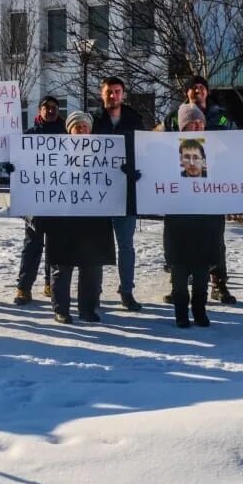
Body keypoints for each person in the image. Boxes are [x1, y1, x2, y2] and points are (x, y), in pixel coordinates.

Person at [162, 76, 237, 304]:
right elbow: (158, 146)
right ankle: (179, 286)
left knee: (214, 238)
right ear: (187, 92)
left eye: (201, 87)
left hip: (211, 191)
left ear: (207, 91)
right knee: (177, 238)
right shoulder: (173, 118)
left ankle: (218, 282)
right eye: (192, 88)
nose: (197, 91)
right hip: (180, 190)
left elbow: (238, 143)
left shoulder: (221, 116)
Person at [41, 111, 117, 324]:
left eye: (85, 126)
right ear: (69, 130)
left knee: (91, 267)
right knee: (61, 267)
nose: (81, 129)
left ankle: (88, 309)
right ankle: (61, 309)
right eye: (77, 126)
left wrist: (124, 172)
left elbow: (114, 180)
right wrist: (18, 169)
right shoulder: (54, 154)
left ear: (91, 130)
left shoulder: (105, 154)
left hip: (94, 218)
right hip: (63, 217)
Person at [163, 104, 222, 328]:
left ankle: (199, 310)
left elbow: (231, 175)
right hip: (178, 224)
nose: (196, 126)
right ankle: (180, 312)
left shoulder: (217, 151)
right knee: (178, 273)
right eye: (190, 123)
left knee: (200, 274)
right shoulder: (166, 151)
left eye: (199, 123)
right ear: (182, 126)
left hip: (205, 223)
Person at [91, 76, 147, 311]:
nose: (113, 95)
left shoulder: (135, 121)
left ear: (123, 94)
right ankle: (94, 291)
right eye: (108, 92)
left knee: (126, 246)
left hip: (126, 194)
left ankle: (126, 291)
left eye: (117, 91)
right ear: (101, 94)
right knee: (96, 245)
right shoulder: (93, 121)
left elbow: (146, 153)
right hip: (98, 194)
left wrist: (135, 171)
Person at [13, 95, 66, 305]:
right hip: (34, 201)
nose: (51, 110)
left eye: (54, 107)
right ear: (39, 111)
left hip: (59, 200)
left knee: (56, 246)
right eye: (47, 107)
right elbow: (15, 160)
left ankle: (50, 284)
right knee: (32, 245)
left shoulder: (66, 134)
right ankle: (23, 288)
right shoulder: (30, 135)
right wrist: (10, 167)